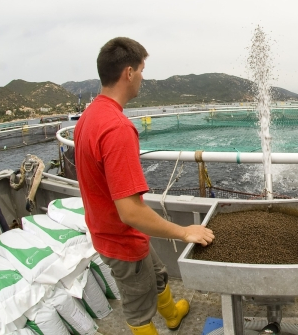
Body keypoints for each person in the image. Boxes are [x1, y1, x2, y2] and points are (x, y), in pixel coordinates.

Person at [74, 37, 214, 335]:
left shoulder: (89, 116)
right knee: (138, 310)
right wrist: (184, 231)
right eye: (141, 70)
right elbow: (131, 212)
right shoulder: (118, 128)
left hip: (109, 231)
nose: (142, 77)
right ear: (128, 73)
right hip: (120, 239)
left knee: (158, 273)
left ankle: (173, 315)